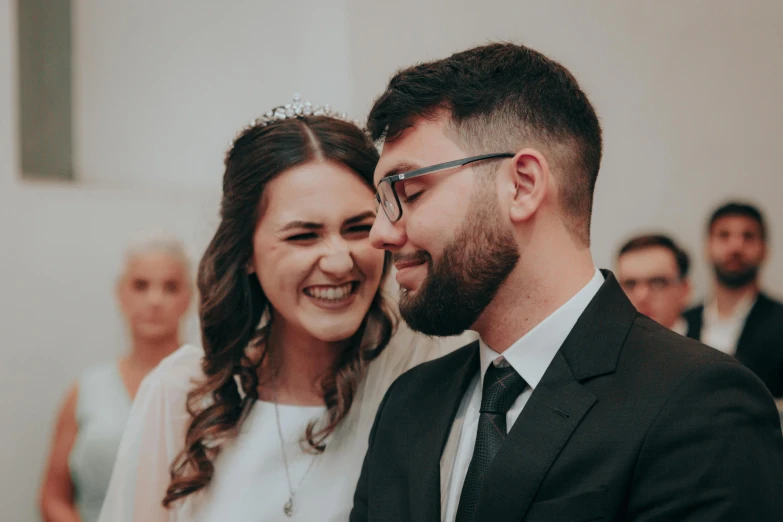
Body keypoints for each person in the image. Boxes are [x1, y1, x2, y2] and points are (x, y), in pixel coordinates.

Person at [351, 43, 783, 522]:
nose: (380, 234)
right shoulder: (409, 402)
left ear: (522, 186)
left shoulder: (699, 405)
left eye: (408, 191)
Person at [98, 97, 471, 522]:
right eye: (303, 236)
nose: (338, 261)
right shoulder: (180, 395)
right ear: (246, 253)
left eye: (357, 228)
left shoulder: (425, 374)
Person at [39, 234, 193, 522]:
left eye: (170, 287)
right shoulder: (86, 390)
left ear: (188, 298)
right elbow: (53, 496)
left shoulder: (209, 387)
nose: (155, 300)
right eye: (141, 285)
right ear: (121, 293)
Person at [684, 202, 783, 398]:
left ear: (764, 249)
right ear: (707, 247)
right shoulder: (684, 322)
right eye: (724, 235)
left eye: (748, 237)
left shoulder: (780, 321)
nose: (736, 246)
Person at [616, 234, 691, 334]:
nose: (641, 296)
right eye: (630, 284)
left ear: (684, 290)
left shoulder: (709, 345)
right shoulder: (604, 346)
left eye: (657, 283)